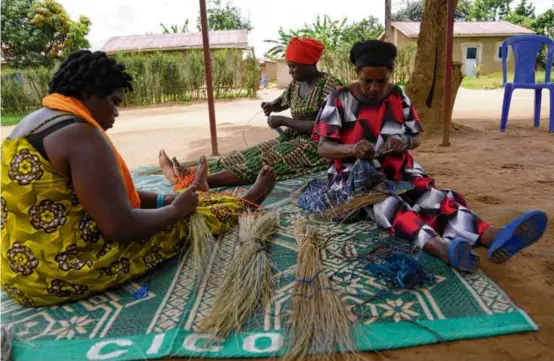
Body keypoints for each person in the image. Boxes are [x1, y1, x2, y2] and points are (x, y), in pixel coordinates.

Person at [0, 51, 277, 307]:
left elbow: (99, 195)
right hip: (60, 273)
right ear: (87, 93)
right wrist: (174, 210)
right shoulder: (82, 136)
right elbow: (121, 227)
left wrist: (163, 199)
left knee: (180, 203)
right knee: (187, 220)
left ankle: (206, 195)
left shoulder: (32, 124)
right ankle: (246, 203)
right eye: (114, 102)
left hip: (18, 273)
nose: (117, 113)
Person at [296, 40, 547, 272]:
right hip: (354, 176)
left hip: (398, 169)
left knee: (434, 197)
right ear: (357, 74)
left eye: (381, 81)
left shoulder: (397, 96)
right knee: (388, 204)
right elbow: (323, 147)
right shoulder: (339, 98)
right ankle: (441, 248)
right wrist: (351, 149)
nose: (374, 88)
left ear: (389, 75)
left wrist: (403, 141)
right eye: (367, 81)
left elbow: (416, 137)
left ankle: (492, 236)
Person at [159, 37, 341, 190]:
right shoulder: (297, 84)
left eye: (294, 67)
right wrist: (271, 105)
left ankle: (199, 182)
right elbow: (282, 102)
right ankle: (190, 172)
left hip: (319, 146)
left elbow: (325, 128)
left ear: (310, 64)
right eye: (289, 66)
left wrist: (285, 121)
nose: (290, 71)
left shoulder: (329, 85)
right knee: (250, 153)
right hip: (294, 137)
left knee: (267, 160)